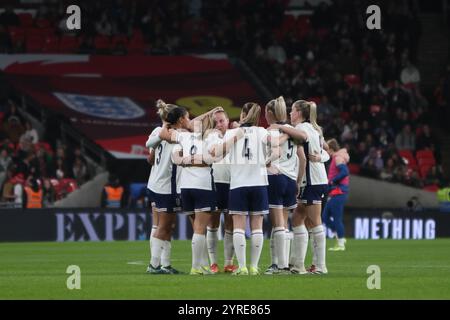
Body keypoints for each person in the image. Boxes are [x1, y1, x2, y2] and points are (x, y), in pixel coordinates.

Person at [210, 102, 271, 276]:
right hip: (259, 183)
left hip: (238, 184)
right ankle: (254, 266)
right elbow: (277, 151)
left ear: (243, 115)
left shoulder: (232, 132)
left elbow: (217, 153)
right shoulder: (262, 132)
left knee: (238, 226)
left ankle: (242, 267)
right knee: (257, 227)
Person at [269, 100, 329, 274]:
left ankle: (320, 266)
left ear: (299, 113)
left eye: (292, 111)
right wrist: (321, 158)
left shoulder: (304, 128)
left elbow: (303, 138)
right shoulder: (315, 129)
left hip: (312, 181)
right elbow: (325, 149)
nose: (290, 114)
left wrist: (279, 126)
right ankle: (298, 265)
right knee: (297, 219)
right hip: (316, 180)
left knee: (315, 222)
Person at [144, 100, 181, 275]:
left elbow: (149, 158)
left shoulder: (157, 131)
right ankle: (154, 265)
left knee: (162, 226)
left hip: (154, 183)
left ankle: (165, 265)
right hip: (165, 186)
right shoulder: (175, 135)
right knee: (164, 226)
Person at [263, 97, 298, 275]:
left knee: (277, 224)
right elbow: (302, 158)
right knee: (284, 224)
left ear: (270, 114)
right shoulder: (292, 130)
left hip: (276, 177)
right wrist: (298, 181)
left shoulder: (271, 131)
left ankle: (281, 265)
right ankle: (279, 263)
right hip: (291, 179)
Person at [206, 108, 238, 273]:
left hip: (233, 183)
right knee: (213, 223)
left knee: (230, 223)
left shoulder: (235, 133)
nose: (219, 124)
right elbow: (213, 154)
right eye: (216, 122)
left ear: (227, 120)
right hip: (215, 182)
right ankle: (213, 263)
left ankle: (228, 262)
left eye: (221, 121)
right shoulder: (211, 136)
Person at [321, 139, 350, 251]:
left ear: (331, 149)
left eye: (326, 150)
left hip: (339, 191)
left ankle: (341, 242)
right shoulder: (336, 157)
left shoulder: (337, 158)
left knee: (336, 218)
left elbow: (344, 172)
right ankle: (340, 235)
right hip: (336, 192)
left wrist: (332, 181)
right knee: (325, 216)